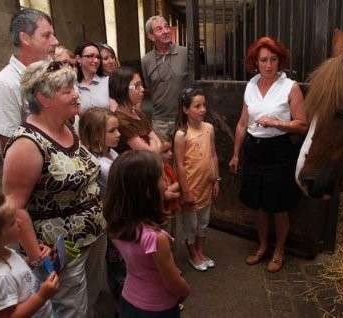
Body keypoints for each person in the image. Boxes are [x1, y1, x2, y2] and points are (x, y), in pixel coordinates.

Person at [2, 60, 107, 318]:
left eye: (74, 87)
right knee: (70, 311)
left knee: (89, 301)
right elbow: (13, 208)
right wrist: (39, 259)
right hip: (62, 252)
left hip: (93, 236)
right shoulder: (26, 144)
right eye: (67, 90)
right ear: (43, 98)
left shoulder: (67, 127)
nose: (76, 94)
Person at [228, 37, 308, 273]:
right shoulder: (251, 85)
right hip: (253, 150)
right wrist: (235, 154)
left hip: (279, 151)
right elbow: (243, 123)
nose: (269, 64)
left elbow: (302, 125)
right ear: (255, 62)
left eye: (273, 59)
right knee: (259, 204)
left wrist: (276, 122)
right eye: (263, 60)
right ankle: (262, 246)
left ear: (279, 61)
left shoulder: (290, 87)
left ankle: (279, 250)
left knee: (279, 205)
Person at [103, 150, 190, 317]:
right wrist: (185, 289)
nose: (165, 182)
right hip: (158, 308)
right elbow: (173, 283)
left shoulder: (117, 225)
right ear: (148, 191)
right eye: (161, 177)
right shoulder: (156, 239)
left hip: (129, 300)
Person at [0, 192, 59, 317]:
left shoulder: (2, 251)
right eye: (12, 222)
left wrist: (32, 261)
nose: (19, 222)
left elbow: (15, 272)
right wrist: (41, 296)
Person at [0, 8, 58, 152]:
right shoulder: (5, 84)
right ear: (25, 39)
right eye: (46, 35)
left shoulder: (50, 72)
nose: (56, 41)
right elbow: (9, 145)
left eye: (53, 35)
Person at [78, 107, 124, 314]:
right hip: (112, 222)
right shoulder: (99, 163)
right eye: (112, 131)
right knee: (117, 270)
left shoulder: (109, 152)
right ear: (97, 134)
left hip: (117, 217)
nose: (119, 134)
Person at [174, 88, 219, 272]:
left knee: (203, 222)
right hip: (191, 188)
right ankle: (193, 254)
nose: (202, 109)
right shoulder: (181, 135)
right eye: (197, 106)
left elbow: (214, 155)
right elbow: (179, 165)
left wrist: (216, 179)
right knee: (190, 225)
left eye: (204, 105)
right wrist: (186, 191)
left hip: (206, 185)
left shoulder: (209, 128)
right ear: (185, 109)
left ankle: (200, 251)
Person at [141, 15, 188, 138]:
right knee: (163, 155)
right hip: (159, 120)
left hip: (183, 118)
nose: (166, 31)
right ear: (151, 36)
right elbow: (150, 87)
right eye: (159, 29)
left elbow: (193, 83)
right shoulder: (146, 60)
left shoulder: (184, 53)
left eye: (166, 27)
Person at [109, 66, 162, 154]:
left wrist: (153, 144)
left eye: (141, 85)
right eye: (137, 86)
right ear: (123, 88)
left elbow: (159, 143)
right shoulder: (120, 121)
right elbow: (149, 152)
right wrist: (153, 142)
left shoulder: (138, 113)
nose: (142, 89)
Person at [75, 42, 110, 111]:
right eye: (90, 56)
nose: (96, 60)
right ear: (79, 59)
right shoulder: (74, 86)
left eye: (98, 57)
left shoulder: (108, 82)